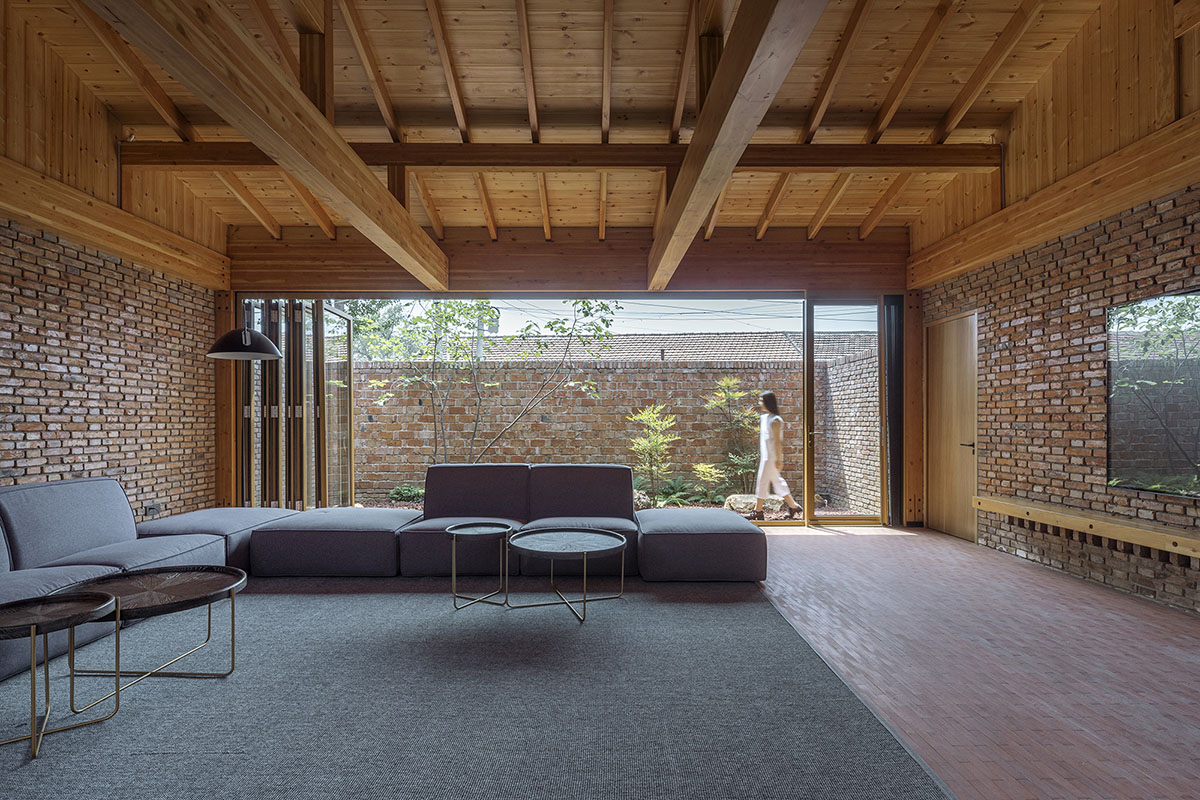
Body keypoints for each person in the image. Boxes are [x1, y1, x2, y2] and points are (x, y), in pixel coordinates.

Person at [746, 391, 802, 522]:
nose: (759, 404)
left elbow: (778, 442)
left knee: (762, 481)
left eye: (761, 401)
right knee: (777, 482)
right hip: (765, 456)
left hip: (771, 458)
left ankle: (758, 512)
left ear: (767, 403)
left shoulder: (776, 420)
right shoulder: (764, 418)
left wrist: (779, 459)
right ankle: (793, 506)